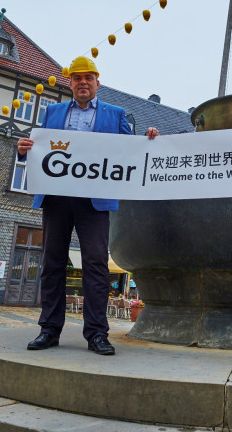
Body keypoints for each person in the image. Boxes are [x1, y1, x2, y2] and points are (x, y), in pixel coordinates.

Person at [17, 56, 159, 355]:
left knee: (95, 264)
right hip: (56, 197)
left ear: (97, 82)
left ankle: (96, 333)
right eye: (77, 78)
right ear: (70, 82)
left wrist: (149, 141)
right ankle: (49, 330)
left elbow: (128, 151)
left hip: (94, 199)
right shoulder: (52, 112)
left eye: (88, 78)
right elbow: (38, 149)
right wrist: (24, 150)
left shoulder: (115, 113)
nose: (83, 82)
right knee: (52, 263)